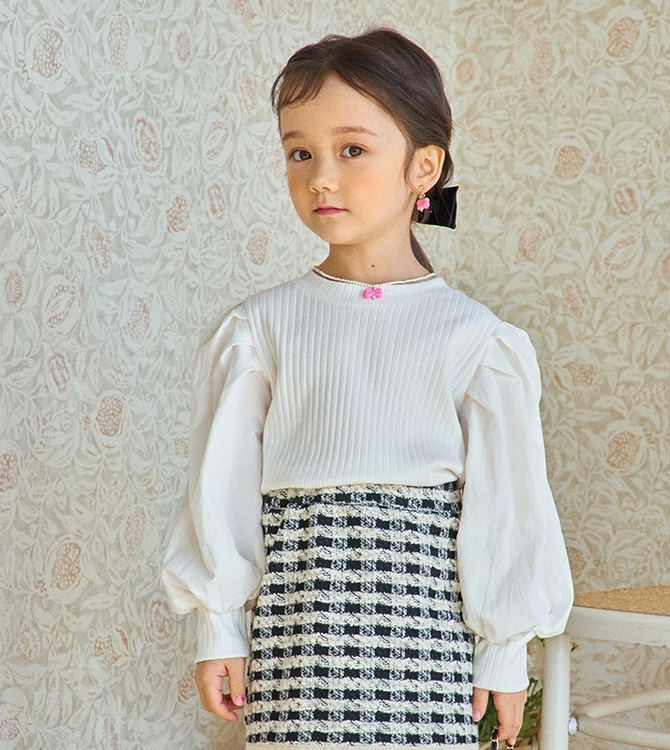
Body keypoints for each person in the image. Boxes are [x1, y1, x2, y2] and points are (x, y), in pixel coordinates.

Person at [162, 27, 573, 750]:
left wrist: (503, 653)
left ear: (423, 167)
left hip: (426, 641)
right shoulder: (260, 329)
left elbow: (508, 504)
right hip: (299, 634)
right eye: (300, 153)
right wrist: (217, 625)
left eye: (352, 150)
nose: (322, 177)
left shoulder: (474, 340)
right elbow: (219, 488)